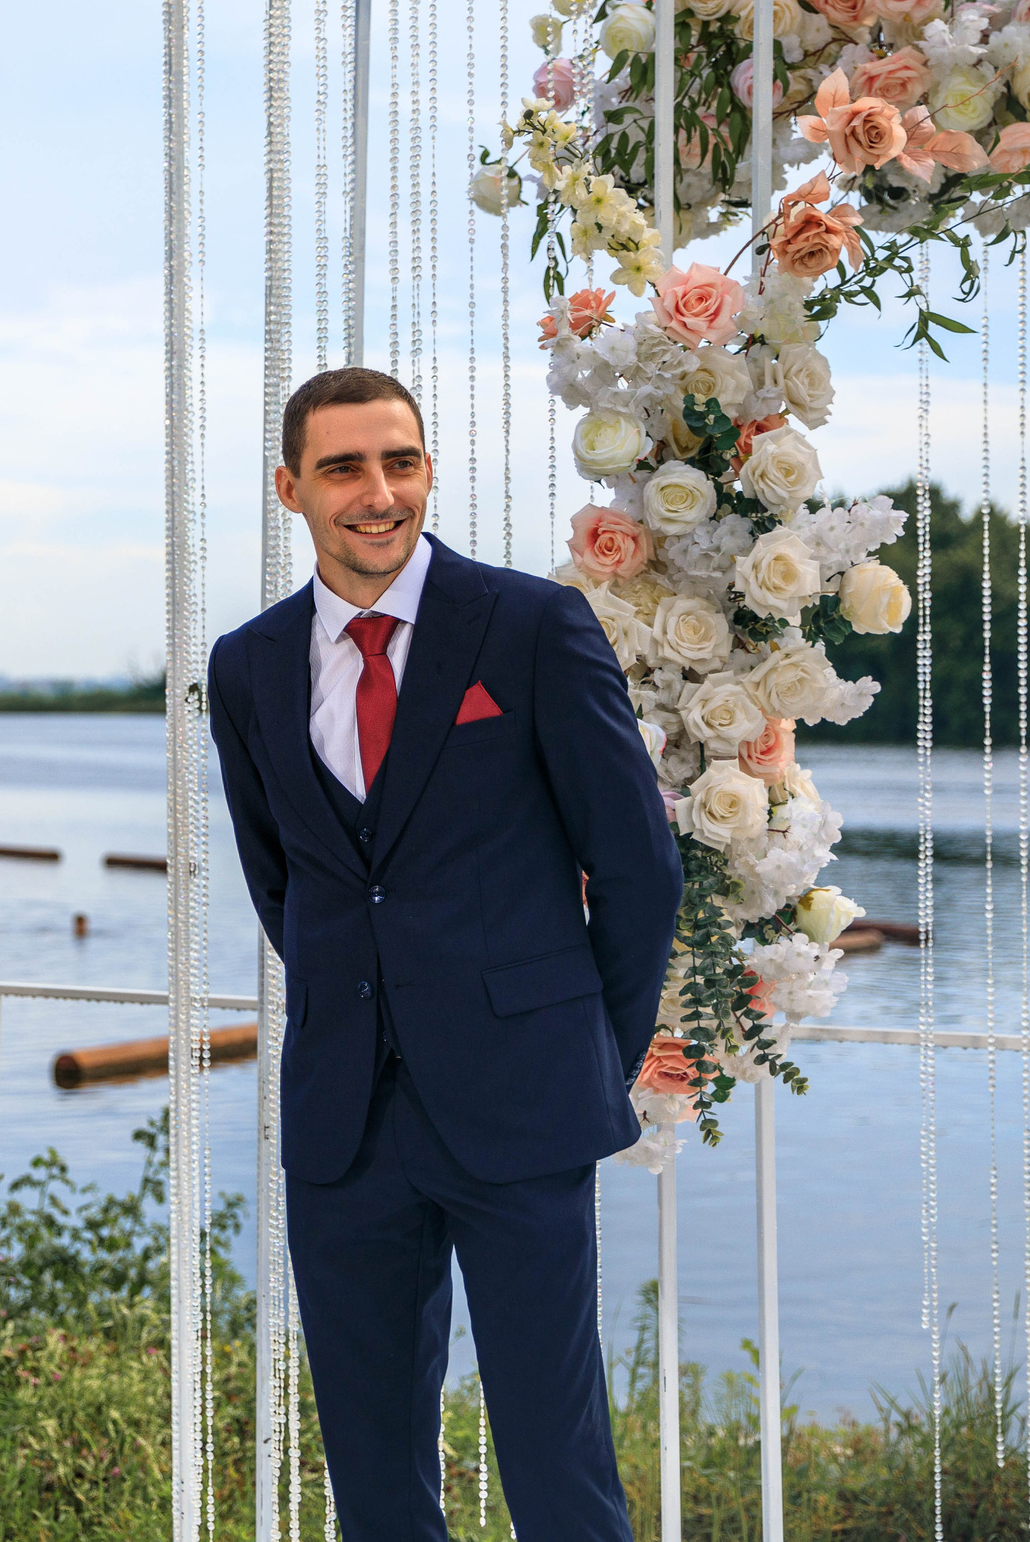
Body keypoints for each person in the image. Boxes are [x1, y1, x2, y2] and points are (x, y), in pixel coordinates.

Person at [207, 369, 679, 1540]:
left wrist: (583, 1055)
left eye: (400, 462)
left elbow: (636, 870)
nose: (378, 493)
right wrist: (351, 1011)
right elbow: (289, 885)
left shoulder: (529, 626)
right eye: (343, 468)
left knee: (556, 1465)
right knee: (370, 1477)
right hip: (342, 1120)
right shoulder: (247, 666)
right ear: (289, 489)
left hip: (522, 1106)